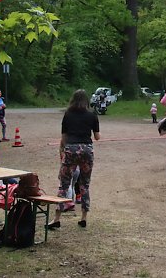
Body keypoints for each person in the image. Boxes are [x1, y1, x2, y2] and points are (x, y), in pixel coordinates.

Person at [48, 89, 100, 230]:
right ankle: (84, 217)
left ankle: (56, 218)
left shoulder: (68, 114)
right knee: (85, 185)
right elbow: (97, 137)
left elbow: (64, 136)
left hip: (71, 149)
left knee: (64, 185)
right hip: (87, 150)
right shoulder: (92, 115)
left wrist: (62, 151)